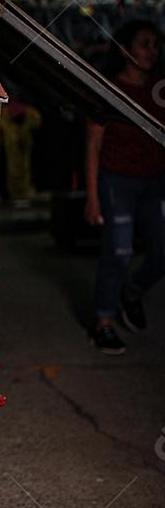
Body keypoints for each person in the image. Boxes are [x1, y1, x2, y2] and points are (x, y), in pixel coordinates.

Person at [85, 19, 165, 353]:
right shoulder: (109, 90)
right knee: (118, 252)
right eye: (144, 43)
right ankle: (104, 320)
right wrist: (92, 198)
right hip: (116, 181)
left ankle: (131, 293)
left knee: (162, 252)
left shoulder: (159, 88)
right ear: (126, 49)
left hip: (156, 183)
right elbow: (92, 146)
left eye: (155, 45)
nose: (152, 51)